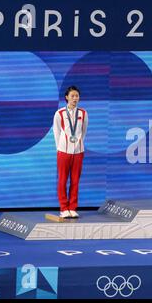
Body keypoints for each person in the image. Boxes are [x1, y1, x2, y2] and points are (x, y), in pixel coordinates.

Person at [53, 86, 89, 218]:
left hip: (78, 151)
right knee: (62, 180)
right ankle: (63, 208)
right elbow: (57, 132)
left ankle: (72, 207)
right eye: (72, 96)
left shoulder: (83, 114)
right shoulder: (60, 113)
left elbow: (83, 132)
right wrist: (60, 147)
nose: (75, 98)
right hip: (63, 151)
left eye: (77, 96)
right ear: (66, 97)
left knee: (75, 180)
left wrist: (78, 143)